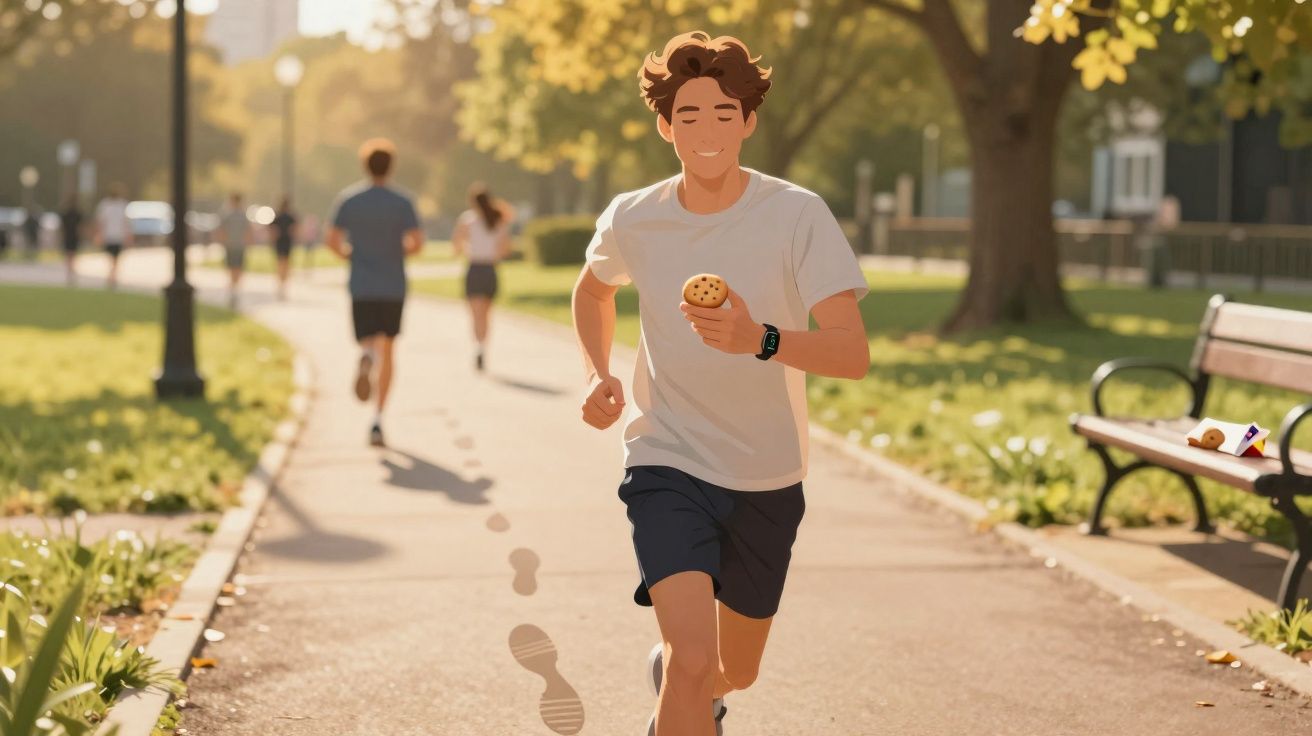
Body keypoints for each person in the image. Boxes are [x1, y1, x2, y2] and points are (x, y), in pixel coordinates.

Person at [570, 32, 870, 736]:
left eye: (724, 114)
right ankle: (685, 684)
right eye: (690, 116)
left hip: (767, 475)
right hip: (666, 459)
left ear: (749, 122)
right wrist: (597, 374)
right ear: (666, 126)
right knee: (693, 661)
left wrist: (758, 339)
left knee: (734, 669)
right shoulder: (634, 216)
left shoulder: (797, 215)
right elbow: (592, 290)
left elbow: (852, 354)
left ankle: (694, 691)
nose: (707, 132)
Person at [325, 138, 423, 448]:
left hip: (362, 284)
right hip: (392, 285)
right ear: (391, 167)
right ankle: (378, 419)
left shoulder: (349, 200)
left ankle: (366, 355)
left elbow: (332, 240)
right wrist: (397, 251)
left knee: (368, 339)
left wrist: (350, 255)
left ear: (364, 165)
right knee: (389, 349)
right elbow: (417, 243)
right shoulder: (402, 202)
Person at [451, 184, 514, 372]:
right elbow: (505, 249)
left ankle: (477, 346)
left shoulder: (467, 220)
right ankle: (483, 347)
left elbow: (456, 246)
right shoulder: (498, 220)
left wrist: (465, 248)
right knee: (486, 314)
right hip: (490, 269)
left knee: (475, 313)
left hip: (474, 268)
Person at [94, 183, 133, 290]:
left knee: (114, 258)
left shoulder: (119, 205)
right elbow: (101, 222)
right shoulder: (107, 205)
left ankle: (112, 276)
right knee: (113, 258)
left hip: (116, 236)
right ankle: (113, 275)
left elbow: (125, 223)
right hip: (111, 235)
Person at [218, 193, 253, 308]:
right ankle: (234, 287)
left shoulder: (231, 215)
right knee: (237, 267)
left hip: (233, 245)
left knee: (233, 267)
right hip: (236, 245)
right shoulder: (239, 216)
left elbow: (222, 231)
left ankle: (234, 287)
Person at [271, 196, 297, 300]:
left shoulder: (278, 217)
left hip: (281, 242)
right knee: (285, 263)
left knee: (280, 263)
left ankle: (281, 283)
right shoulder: (289, 217)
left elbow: (273, 230)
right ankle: (283, 283)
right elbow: (294, 229)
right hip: (286, 242)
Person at [59, 197, 83, 286]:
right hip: (73, 237)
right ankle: (71, 273)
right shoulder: (76, 214)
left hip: (69, 237)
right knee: (72, 256)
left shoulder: (67, 214)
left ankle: (70, 273)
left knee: (69, 257)